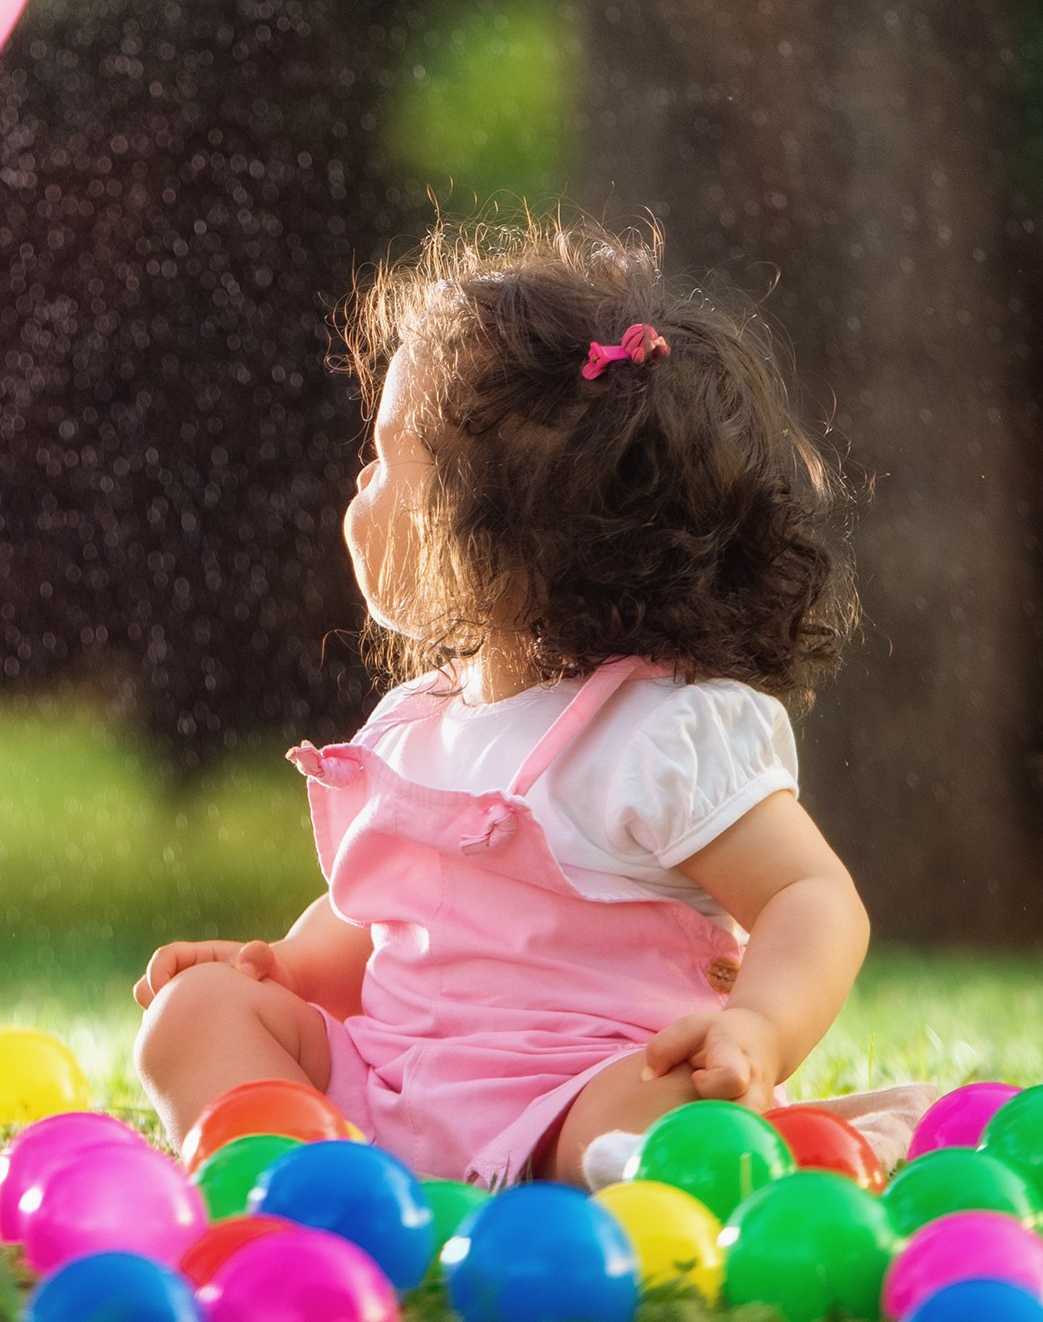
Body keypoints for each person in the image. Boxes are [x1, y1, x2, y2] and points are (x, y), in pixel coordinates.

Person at [133, 219, 932, 1185]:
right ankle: (294, 1175)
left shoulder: (656, 733)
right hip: (389, 1083)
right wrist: (284, 971)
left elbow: (812, 897)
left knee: (661, 1107)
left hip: (573, 1092)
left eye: (387, 459)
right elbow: (383, 914)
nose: (359, 479)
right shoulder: (416, 723)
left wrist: (756, 1028)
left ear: (489, 539)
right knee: (199, 1011)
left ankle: (611, 1173)